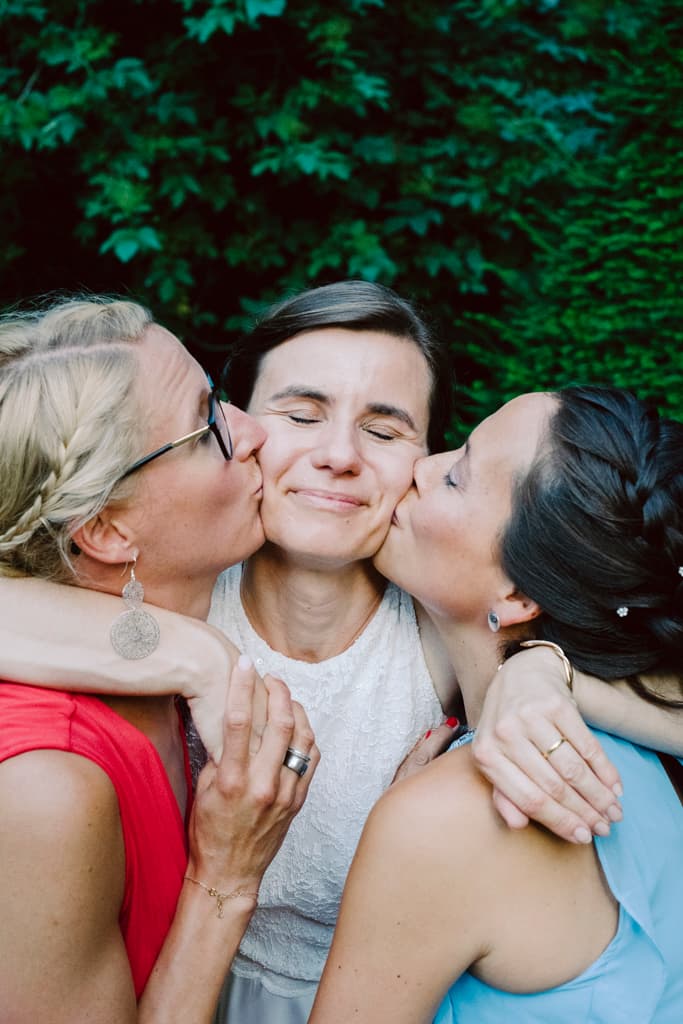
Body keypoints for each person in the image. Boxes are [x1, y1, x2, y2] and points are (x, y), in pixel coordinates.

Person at [1, 285, 682, 1022]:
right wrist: (191, 652)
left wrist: (541, 668)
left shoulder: (442, 619)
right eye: (297, 415)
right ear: (253, 427)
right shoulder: (178, 586)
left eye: (387, 432)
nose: (338, 456)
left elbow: (618, 616)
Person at [310, 387, 683, 1023]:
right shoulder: (649, 741)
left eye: (455, 477)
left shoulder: (451, 817)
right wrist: (546, 668)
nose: (421, 468)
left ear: (517, 597)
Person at [0, 296, 319, 1023]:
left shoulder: (166, 665)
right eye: (209, 426)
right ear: (108, 529)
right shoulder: (47, 789)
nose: (254, 430)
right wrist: (227, 879)